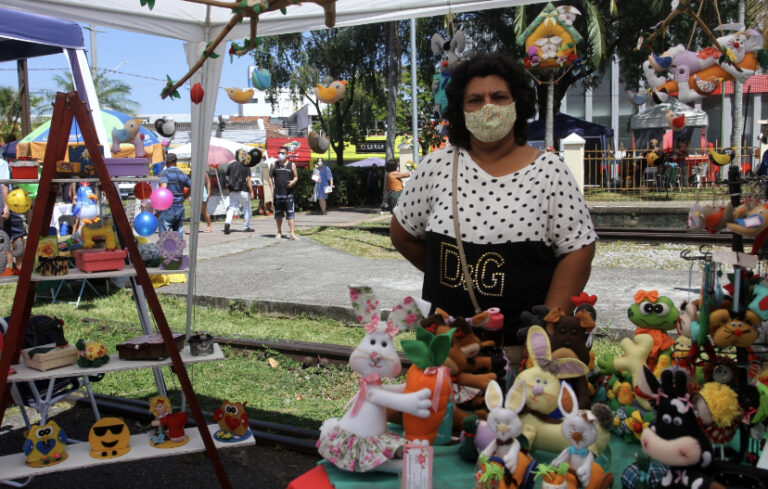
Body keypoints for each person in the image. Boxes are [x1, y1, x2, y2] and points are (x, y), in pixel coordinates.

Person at [389, 53, 597, 345]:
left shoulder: (550, 171)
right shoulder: (436, 166)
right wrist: (452, 275)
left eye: (499, 97)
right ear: (461, 109)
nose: (487, 107)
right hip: (446, 348)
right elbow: (403, 235)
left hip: (523, 352)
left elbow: (578, 250)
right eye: (475, 100)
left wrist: (547, 320)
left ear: (517, 104)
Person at [0, 147, 25, 275]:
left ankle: (10, 269)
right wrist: (6, 206)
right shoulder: (2, 163)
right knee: (18, 233)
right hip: (4, 202)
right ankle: (19, 268)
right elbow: (4, 185)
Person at [269, 146, 299, 240]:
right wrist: (271, 189)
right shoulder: (274, 164)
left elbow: (296, 177)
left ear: (286, 154)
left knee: (290, 214)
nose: (280, 154)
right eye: (279, 152)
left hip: (288, 194)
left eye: (282, 153)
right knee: (278, 214)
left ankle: (292, 233)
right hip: (278, 193)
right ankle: (279, 231)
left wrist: (293, 182)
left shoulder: (292, 165)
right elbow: (270, 177)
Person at [158, 152, 191, 236]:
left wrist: (158, 207)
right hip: (180, 206)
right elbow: (192, 186)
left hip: (168, 207)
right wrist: (184, 197)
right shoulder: (182, 174)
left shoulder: (165, 173)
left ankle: (165, 249)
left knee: (164, 235)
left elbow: (163, 189)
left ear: (166, 161)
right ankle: (179, 249)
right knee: (178, 232)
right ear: (176, 161)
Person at [223, 149, 255, 235]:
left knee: (232, 208)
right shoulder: (246, 165)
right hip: (244, 190)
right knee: (247, 209)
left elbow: (227, 178)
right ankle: (246, 227)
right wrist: (251, 192)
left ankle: (227, 222)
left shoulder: (231, 165)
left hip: (233, 190)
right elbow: (248, 180)